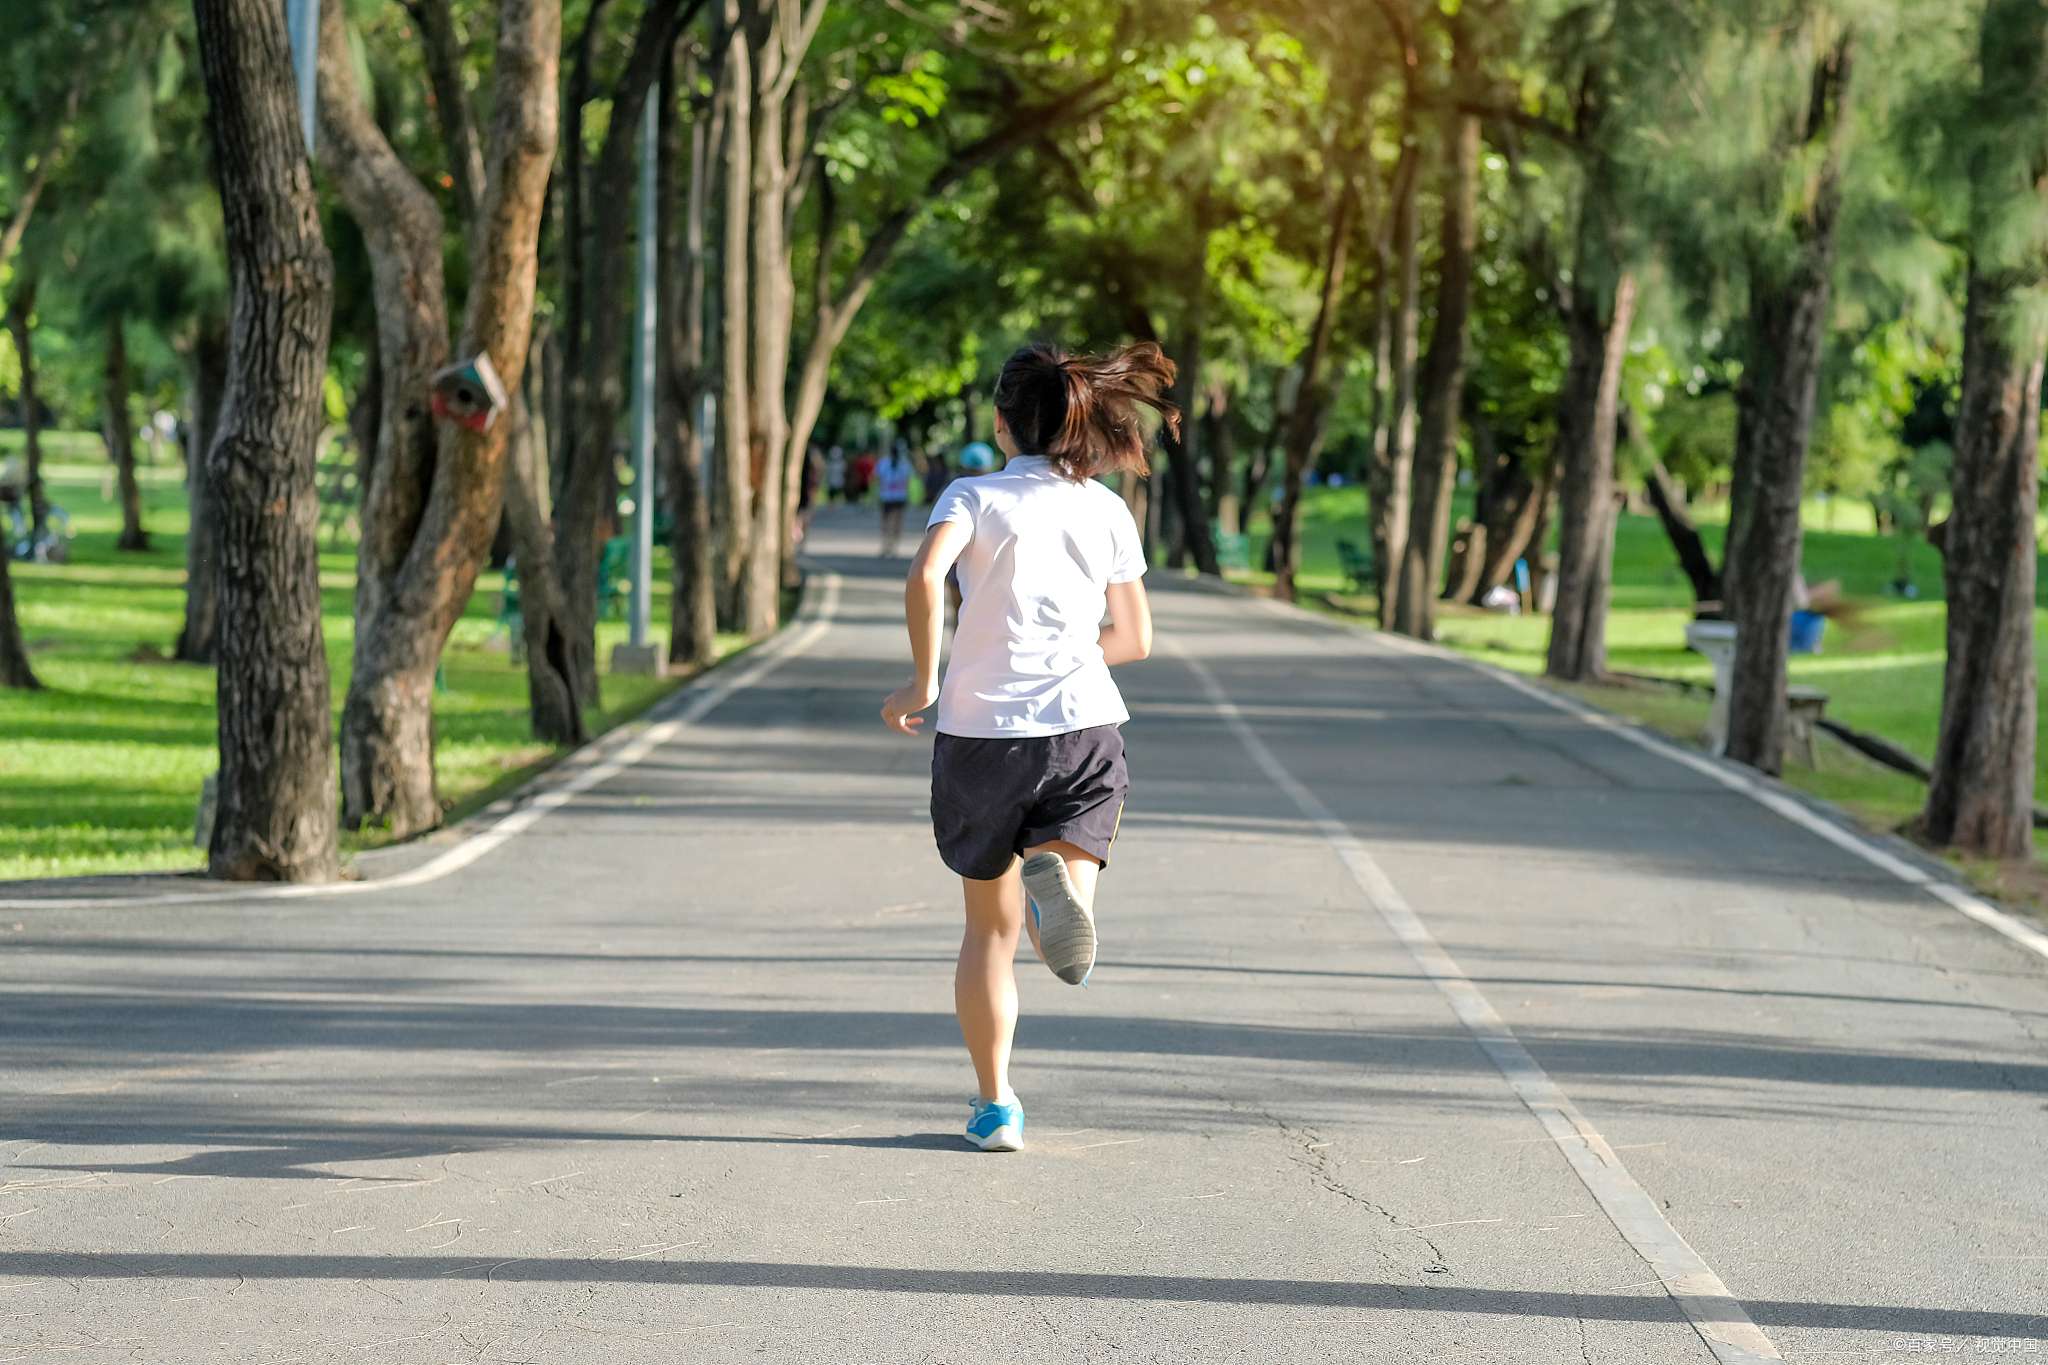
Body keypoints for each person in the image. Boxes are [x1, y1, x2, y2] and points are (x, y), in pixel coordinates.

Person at [880, 341, 1174, 1153]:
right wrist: (1071, 651)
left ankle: (996, 1103)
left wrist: (922, 681)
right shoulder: (1106, 507)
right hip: (1081, 726)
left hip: (981, 738)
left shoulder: (971, 496)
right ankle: (1064, 902)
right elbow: (1137, 638)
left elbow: (924, 577)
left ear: (1002, 425)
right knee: (1059, 904)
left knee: (988, 931)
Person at [876, 441, 917, 556]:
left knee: (885, 522)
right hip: (900, 496)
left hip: (886, 496)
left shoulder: (884, 463)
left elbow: (878, 479)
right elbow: (908, 481)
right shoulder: (905, 464)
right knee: (897, 522)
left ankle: (885, 544)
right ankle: (894, 546)